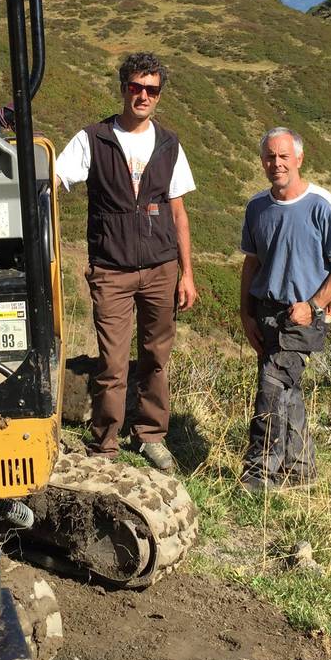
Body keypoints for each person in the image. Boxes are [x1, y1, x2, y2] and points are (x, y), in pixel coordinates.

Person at [55, 52, 198, 472]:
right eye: (135, 87)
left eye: (151, 89)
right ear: (123, 89)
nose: (143, 96)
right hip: (112, 270)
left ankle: (151, 435)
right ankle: (106, 445)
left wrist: (186, 273)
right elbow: (56, 178)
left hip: (160, 268)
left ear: (159, 95)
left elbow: (178, 212)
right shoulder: (93, 139)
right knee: (113, 361)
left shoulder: (170, 144)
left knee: (155, 356)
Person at [238, 127, 331, 492]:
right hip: (265, 311)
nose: (277, 163)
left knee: (271, 386)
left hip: (302, 314)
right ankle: (300, 469)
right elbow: (252, 263)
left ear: (299, 159)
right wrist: (245, 314)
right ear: (262, 161)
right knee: (287, 389)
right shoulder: (257, 206)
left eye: (284, 156)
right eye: (270, 157)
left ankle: (261, 473)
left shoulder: (323, 204)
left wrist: (315, 306)